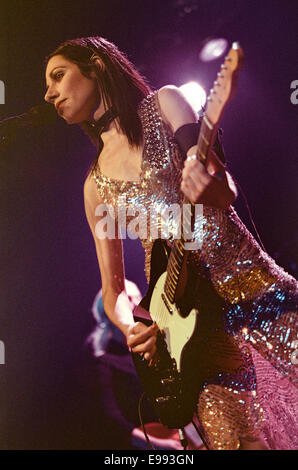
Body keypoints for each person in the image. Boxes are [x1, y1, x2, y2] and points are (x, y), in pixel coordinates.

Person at [44, 36, 297, 450]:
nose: (48, 92)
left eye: (58, 76)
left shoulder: (166, 102)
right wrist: (131, 327)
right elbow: (113, 293)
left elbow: (223, 187)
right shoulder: (94, 186)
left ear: (96, 66)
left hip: (253, 288)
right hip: (187, 334)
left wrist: (211, 184)